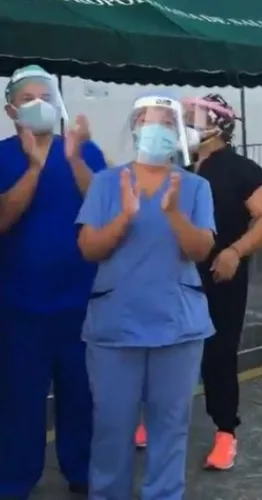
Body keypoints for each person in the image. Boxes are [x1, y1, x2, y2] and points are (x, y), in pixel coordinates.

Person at [76, 94, 216, 499]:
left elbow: (200, 250)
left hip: (177, 326)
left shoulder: (195, 186)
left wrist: (172, 213)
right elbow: (89, 248)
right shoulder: (107, 183)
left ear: (180, 133)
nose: (159, 130)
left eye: (169, 123)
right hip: (116, 326)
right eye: (151, 121)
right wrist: (124, 217)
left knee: (170, 426)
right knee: (111, 424)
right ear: (136, 127)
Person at [133, 95, 262, 470]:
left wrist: (235, 252)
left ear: (219, 124)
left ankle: (225, 430)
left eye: (193, 118)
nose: (185, 124)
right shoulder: (177, 165)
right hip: (174, 275)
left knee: (218, 352)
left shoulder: (241, 169)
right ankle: (154, 418)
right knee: (163, 347)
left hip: (220, 275)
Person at [0, 65, 107, 498]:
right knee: (20, 399)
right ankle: (14, 479)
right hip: (19, 305)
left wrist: (74, 160)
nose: (39, 105)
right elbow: (3, 218)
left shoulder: (85, 152)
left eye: (46, 97)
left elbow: (105, 207)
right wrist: (34, 167)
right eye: (28, 99)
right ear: (11, 110)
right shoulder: (3, 157)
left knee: (82, 395)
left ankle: (83, 471)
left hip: (81, 302)